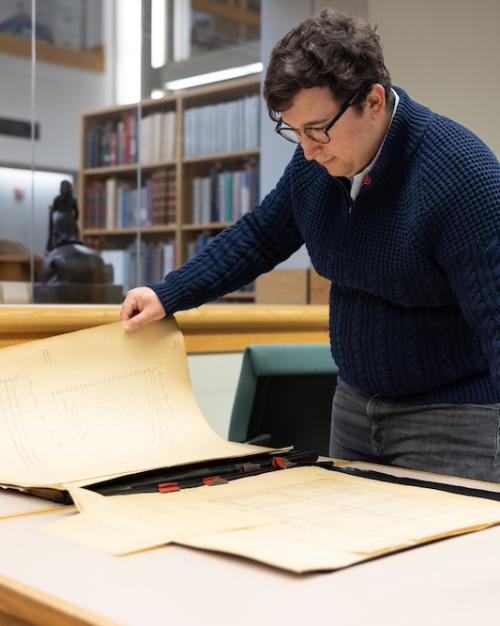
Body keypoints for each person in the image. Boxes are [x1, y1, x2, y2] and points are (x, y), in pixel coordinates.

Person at [121, 9, 500, 482]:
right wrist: (167, 293)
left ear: (374, 101)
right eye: (294, 130)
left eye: (317, 128)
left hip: (454, 420)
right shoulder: (318, 165)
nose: (306, 148)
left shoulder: (462, 175)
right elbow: (259, 236)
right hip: (353, 409)